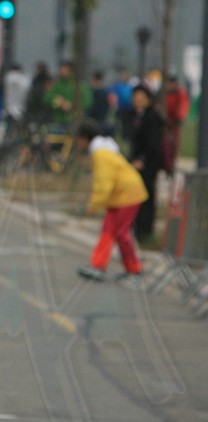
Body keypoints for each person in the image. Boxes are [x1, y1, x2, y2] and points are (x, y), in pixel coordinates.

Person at [75, 119, 147, 284]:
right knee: (108, 231)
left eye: (79, 139)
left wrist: (94, 204)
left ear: (85, 138)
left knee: (121, 233)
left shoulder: (100, 154)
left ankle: (134, 270)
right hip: (120, 195)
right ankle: (98, 265)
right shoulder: (104, 149)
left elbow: (104, 183)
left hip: (127, 195)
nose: (78, 143)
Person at [129, 85, 164, 243]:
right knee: (139, 198)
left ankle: (144, 232)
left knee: (145, 198)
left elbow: (153, 144)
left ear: (148, 99)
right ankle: (139, 231)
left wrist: (141, 160)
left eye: (141, 98)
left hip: (148, 165)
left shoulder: (152, 117)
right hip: (140, 163)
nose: (138, 100)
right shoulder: (139, 115)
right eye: (135, 98)